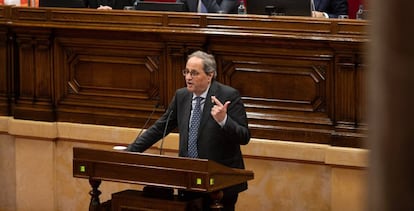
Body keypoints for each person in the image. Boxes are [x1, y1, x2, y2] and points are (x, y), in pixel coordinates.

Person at [126, 50, 251, 211]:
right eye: (186, 72)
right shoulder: (182, 96)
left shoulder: (228, 95)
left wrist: (224, 121)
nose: (188, 77)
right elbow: (159, 128)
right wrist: (130, 152)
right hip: (189, 180)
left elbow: (244, 136)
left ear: (210, 75)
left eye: (194, 73)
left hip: (220, 184)